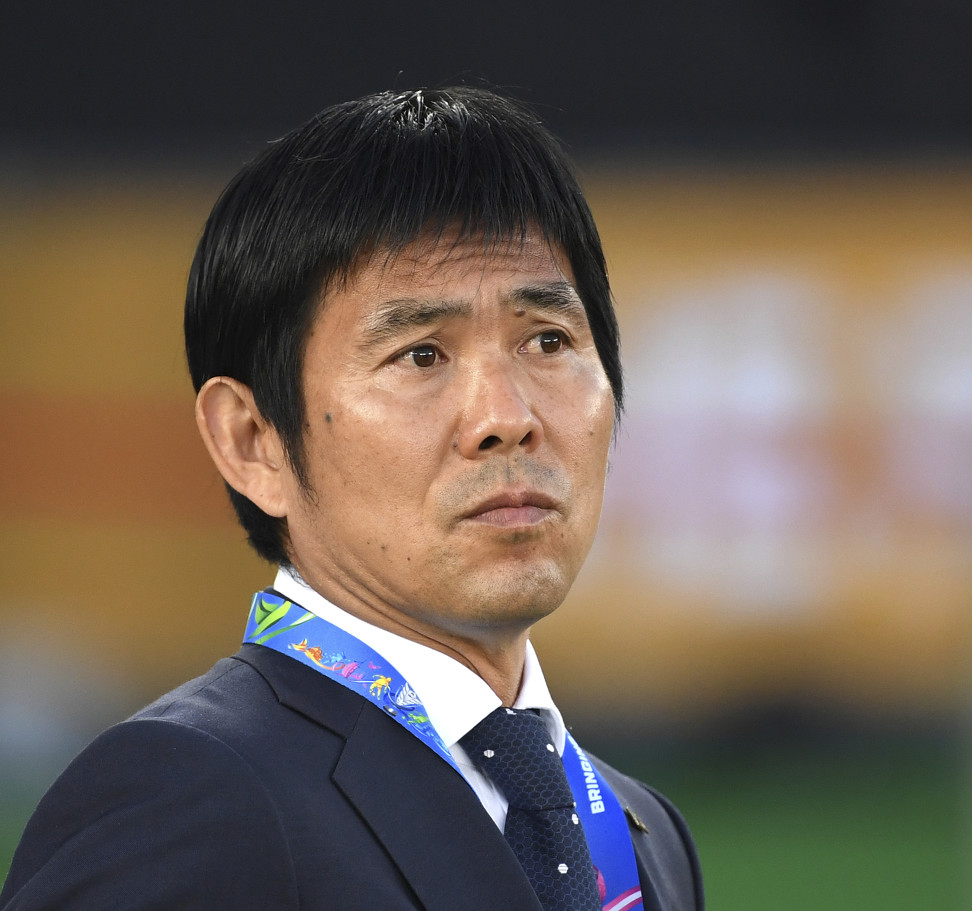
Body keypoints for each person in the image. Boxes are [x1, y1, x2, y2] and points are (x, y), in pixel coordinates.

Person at [0, 87, 703, 911]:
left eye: (548, 340)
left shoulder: (638, 832)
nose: (507, 418)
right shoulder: (186, 795)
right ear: (252, 440)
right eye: (421, 355)